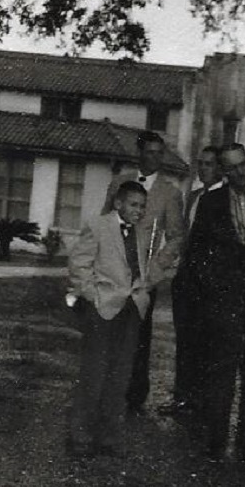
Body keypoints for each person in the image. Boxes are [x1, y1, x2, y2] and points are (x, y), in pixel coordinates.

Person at [185, 143, 245, 463]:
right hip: (223, 303)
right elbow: (197, 252)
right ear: (223, 171)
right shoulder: (211, 202)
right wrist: (213, 289)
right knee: (221, 375)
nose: (240, 173)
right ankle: (215, 444)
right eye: (231, 168)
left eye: (243, 165)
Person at [67, 181, 171, 457]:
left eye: (143, 206)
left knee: (120, 375)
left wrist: (144, 288)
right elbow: (79, 265)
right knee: (94, 374)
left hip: (130, 311)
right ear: (118, 204)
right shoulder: (98, 225)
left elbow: (139, 269)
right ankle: (80, 437)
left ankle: (109, 437)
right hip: (102, 309)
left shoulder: (140, 233)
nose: (140, 211)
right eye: (134, 205)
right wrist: (95, 297)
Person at [102, 131, 184, 416]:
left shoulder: (169, 192)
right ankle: (108, 391)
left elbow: (175, 236)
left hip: (144, 277)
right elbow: (104, 222)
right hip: (113, 272)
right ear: (139, 153)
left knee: (138, 337)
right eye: (149, 152)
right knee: (110, 330)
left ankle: (134, 397)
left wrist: (157, 267)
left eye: (159, 153)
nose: (154, 158)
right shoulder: (119, 183)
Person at [167, 145, 224, 418]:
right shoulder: (193, 197)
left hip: (211, 285)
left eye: (209, 164)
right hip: (186, 280)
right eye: (200, 163)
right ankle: (182, 398)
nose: (203, 169)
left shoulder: (227, 199)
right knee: (184, 341)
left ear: (220, 167)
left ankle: (201, 403)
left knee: (206, 345)